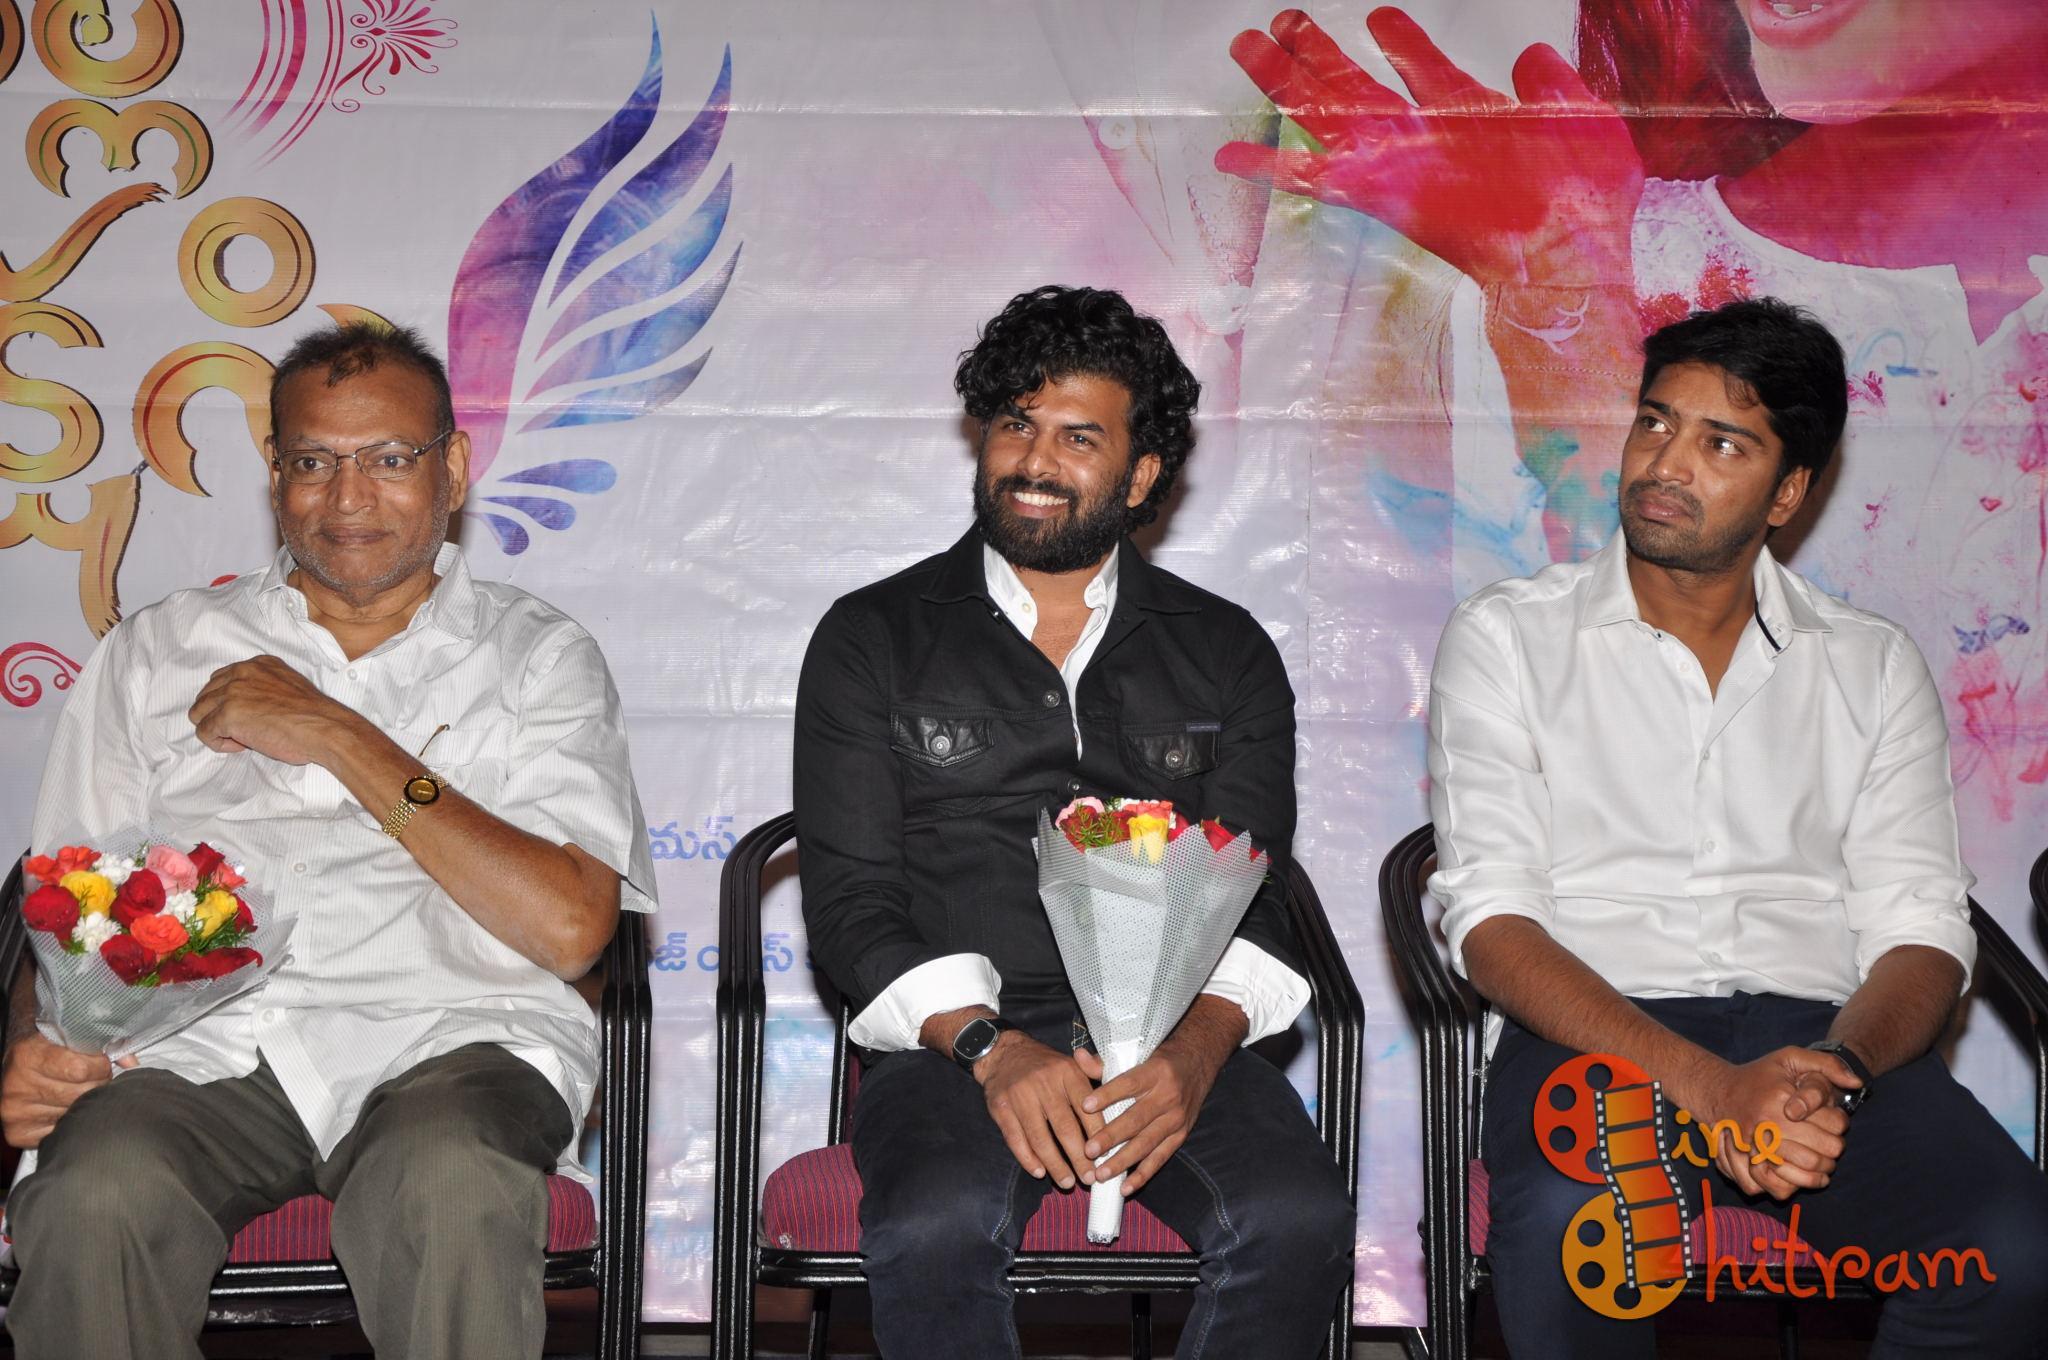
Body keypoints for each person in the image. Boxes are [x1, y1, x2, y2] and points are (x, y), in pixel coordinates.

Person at [0, 321, 657, 1360]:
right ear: (275, 474)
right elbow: (67, 903)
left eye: (389, 459)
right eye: (314, 462)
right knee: (95, 1193)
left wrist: (338, 735)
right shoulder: (157, 651)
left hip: (457, 1040)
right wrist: (40, 1043)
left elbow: (574, 928)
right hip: (199, 1053)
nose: (348, 498)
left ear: (452, 467)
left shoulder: (536, 657)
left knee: (449, 1181)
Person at [1424, 296, 2048, 1356]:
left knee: (2012, 1251)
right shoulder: (1508, 639)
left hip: (1821, 1046)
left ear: (1787, 492)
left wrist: (1831, 1071)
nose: (1665, 463)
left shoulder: (1868, 664)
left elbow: (1922, 929)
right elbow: (1492, 926)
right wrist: (1716, 1090)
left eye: (1721, 443)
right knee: (1582, 1239)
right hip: (1596, 1041)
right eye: (1655, 422)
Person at [793, 284, 1354, 1357]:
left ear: (1140, 475)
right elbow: (852, 907)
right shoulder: (873, 637)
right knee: (935, 1225)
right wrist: (990, 1048)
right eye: (1016, 424)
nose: (1033, 461)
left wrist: (1193, 1057)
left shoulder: (1226, 650)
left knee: (1294, 1221)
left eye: (1078, 437)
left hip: (1177, 1043)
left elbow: (1257, 896)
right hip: (954, 1048)